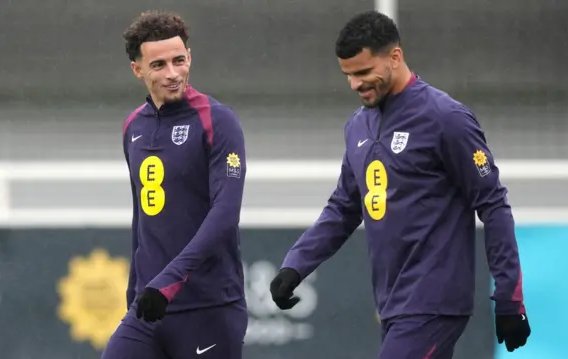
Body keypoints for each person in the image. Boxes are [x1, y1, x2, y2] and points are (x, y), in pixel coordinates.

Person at [269, 10, 531, 358]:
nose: (355, 84)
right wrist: (295, 264)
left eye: (363, 72)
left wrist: (509, 296)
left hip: (434, 302)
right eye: (347, 75)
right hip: (392, 304)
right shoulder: (357, 127)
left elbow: (494, 205)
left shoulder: (446, 118)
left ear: (395, 56)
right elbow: (344, 208)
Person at [101, 10, 248, 359]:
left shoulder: (218, 121)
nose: (172, 74)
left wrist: (168, 282)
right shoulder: (133, 127)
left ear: (189, 58)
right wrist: (137, 290)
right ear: (137, 69)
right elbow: (143, 216)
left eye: (179, 61)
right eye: (159, 65)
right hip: (148, 306)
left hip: (208, 308)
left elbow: (225, 215)